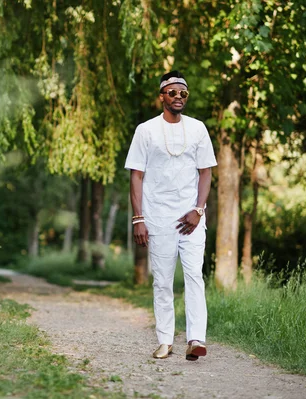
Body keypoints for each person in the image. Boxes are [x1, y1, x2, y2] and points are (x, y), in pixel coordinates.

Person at [124, 71, 217, 361]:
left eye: (183, 93)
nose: (179, 97)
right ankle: (165, 340)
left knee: (194, 277)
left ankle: (196, 339)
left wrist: (198, 210)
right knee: (162, 281)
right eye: (173, 92)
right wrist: (138, 219)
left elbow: (206, 172)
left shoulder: (199, 128)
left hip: (191, 219)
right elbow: (136, 177)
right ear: (162, 96)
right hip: (157, 217)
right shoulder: (146, 130)